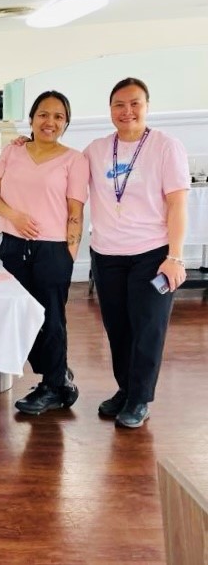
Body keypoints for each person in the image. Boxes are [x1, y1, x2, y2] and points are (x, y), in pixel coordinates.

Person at [86, 77, 189, 429]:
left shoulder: (165, 146)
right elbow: (62, 171)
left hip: (151, 253)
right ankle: (126, 389)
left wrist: (175, 256)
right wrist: (29, 144)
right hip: (107, 254)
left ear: (146, 106)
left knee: (147, 328)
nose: (127, 111)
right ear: (110, 109)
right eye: (119, 104)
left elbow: (177, 204)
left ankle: (140, 397)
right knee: (117, 327)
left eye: (134, 103)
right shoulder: (97, 149)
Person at [0, 91, 89, 415]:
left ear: (66, 123)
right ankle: (58, 376)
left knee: (51, 319)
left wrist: (68, 254)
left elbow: (75, 210)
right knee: (24, 317)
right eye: (44, 114)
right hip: (14, 247)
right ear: (32, 119)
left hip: (52, 249)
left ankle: (53, 386)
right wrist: (14, 216)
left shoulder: (75, 159)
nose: (50, 122)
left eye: (58, 116)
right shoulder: (13, 151)